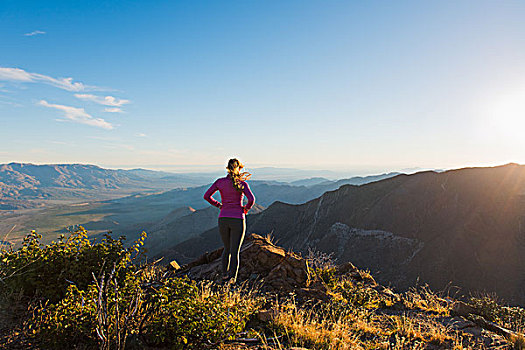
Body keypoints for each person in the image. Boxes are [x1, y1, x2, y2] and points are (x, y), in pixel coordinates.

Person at [203, 158, 255, 283]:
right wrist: (245, 209)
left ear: (227, 168)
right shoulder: (242, 184)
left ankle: (224, 275)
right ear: (238, 168)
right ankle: (232, 279)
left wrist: (219, 205)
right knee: (235, 251)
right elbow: (251, 199)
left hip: (223, 218)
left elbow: (206, 196)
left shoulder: (220, 182)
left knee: (226, 249)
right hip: (238, 218)